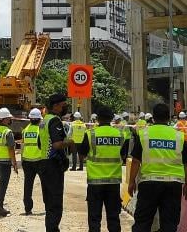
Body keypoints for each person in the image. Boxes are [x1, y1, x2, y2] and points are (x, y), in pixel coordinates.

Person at [128, 103, 187, 232]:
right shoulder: (178, 136)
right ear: (168, 118)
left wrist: (131, 181)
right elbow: (186, 163)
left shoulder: (144, 134)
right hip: (173, 184)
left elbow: (135, 161)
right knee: (169, 223)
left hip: (149, 183)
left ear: (153, 118)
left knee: (142, 222)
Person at [78, 105, 124, 232]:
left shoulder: (90, 134)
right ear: (111, 118)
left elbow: (81, 153)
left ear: (97, 119)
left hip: (95, 182)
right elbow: (123, 155)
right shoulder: (120, 134)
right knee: (114, 217)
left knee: (94, 218)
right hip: (113, 182)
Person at [41, 93, 71, 232]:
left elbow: (40, 143)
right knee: (55, 202)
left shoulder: (44, 120)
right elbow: (57, 144)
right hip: (53, 165)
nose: (65, 107)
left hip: (44, 164)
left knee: (49, 202)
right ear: (56, 106)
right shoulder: (54, 121)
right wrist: (70, 142)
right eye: (63, 105)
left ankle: (50, 228)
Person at [0, 107, 19, 217]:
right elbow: (11, 149)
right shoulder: (8, 132)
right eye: (9, 118)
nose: (10, 120)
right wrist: (14, 163)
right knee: (3, 186)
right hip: (5, 163)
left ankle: (0, 206)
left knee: (2, 185)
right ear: (4, 119)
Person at [21, 107, 49, 215]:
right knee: (45, 184)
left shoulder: (26, 130)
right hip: (39, 160)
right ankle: (47, 206)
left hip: (27, 160)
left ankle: (28, 208)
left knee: (28, 185)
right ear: (39, 119)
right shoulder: (40, 130)